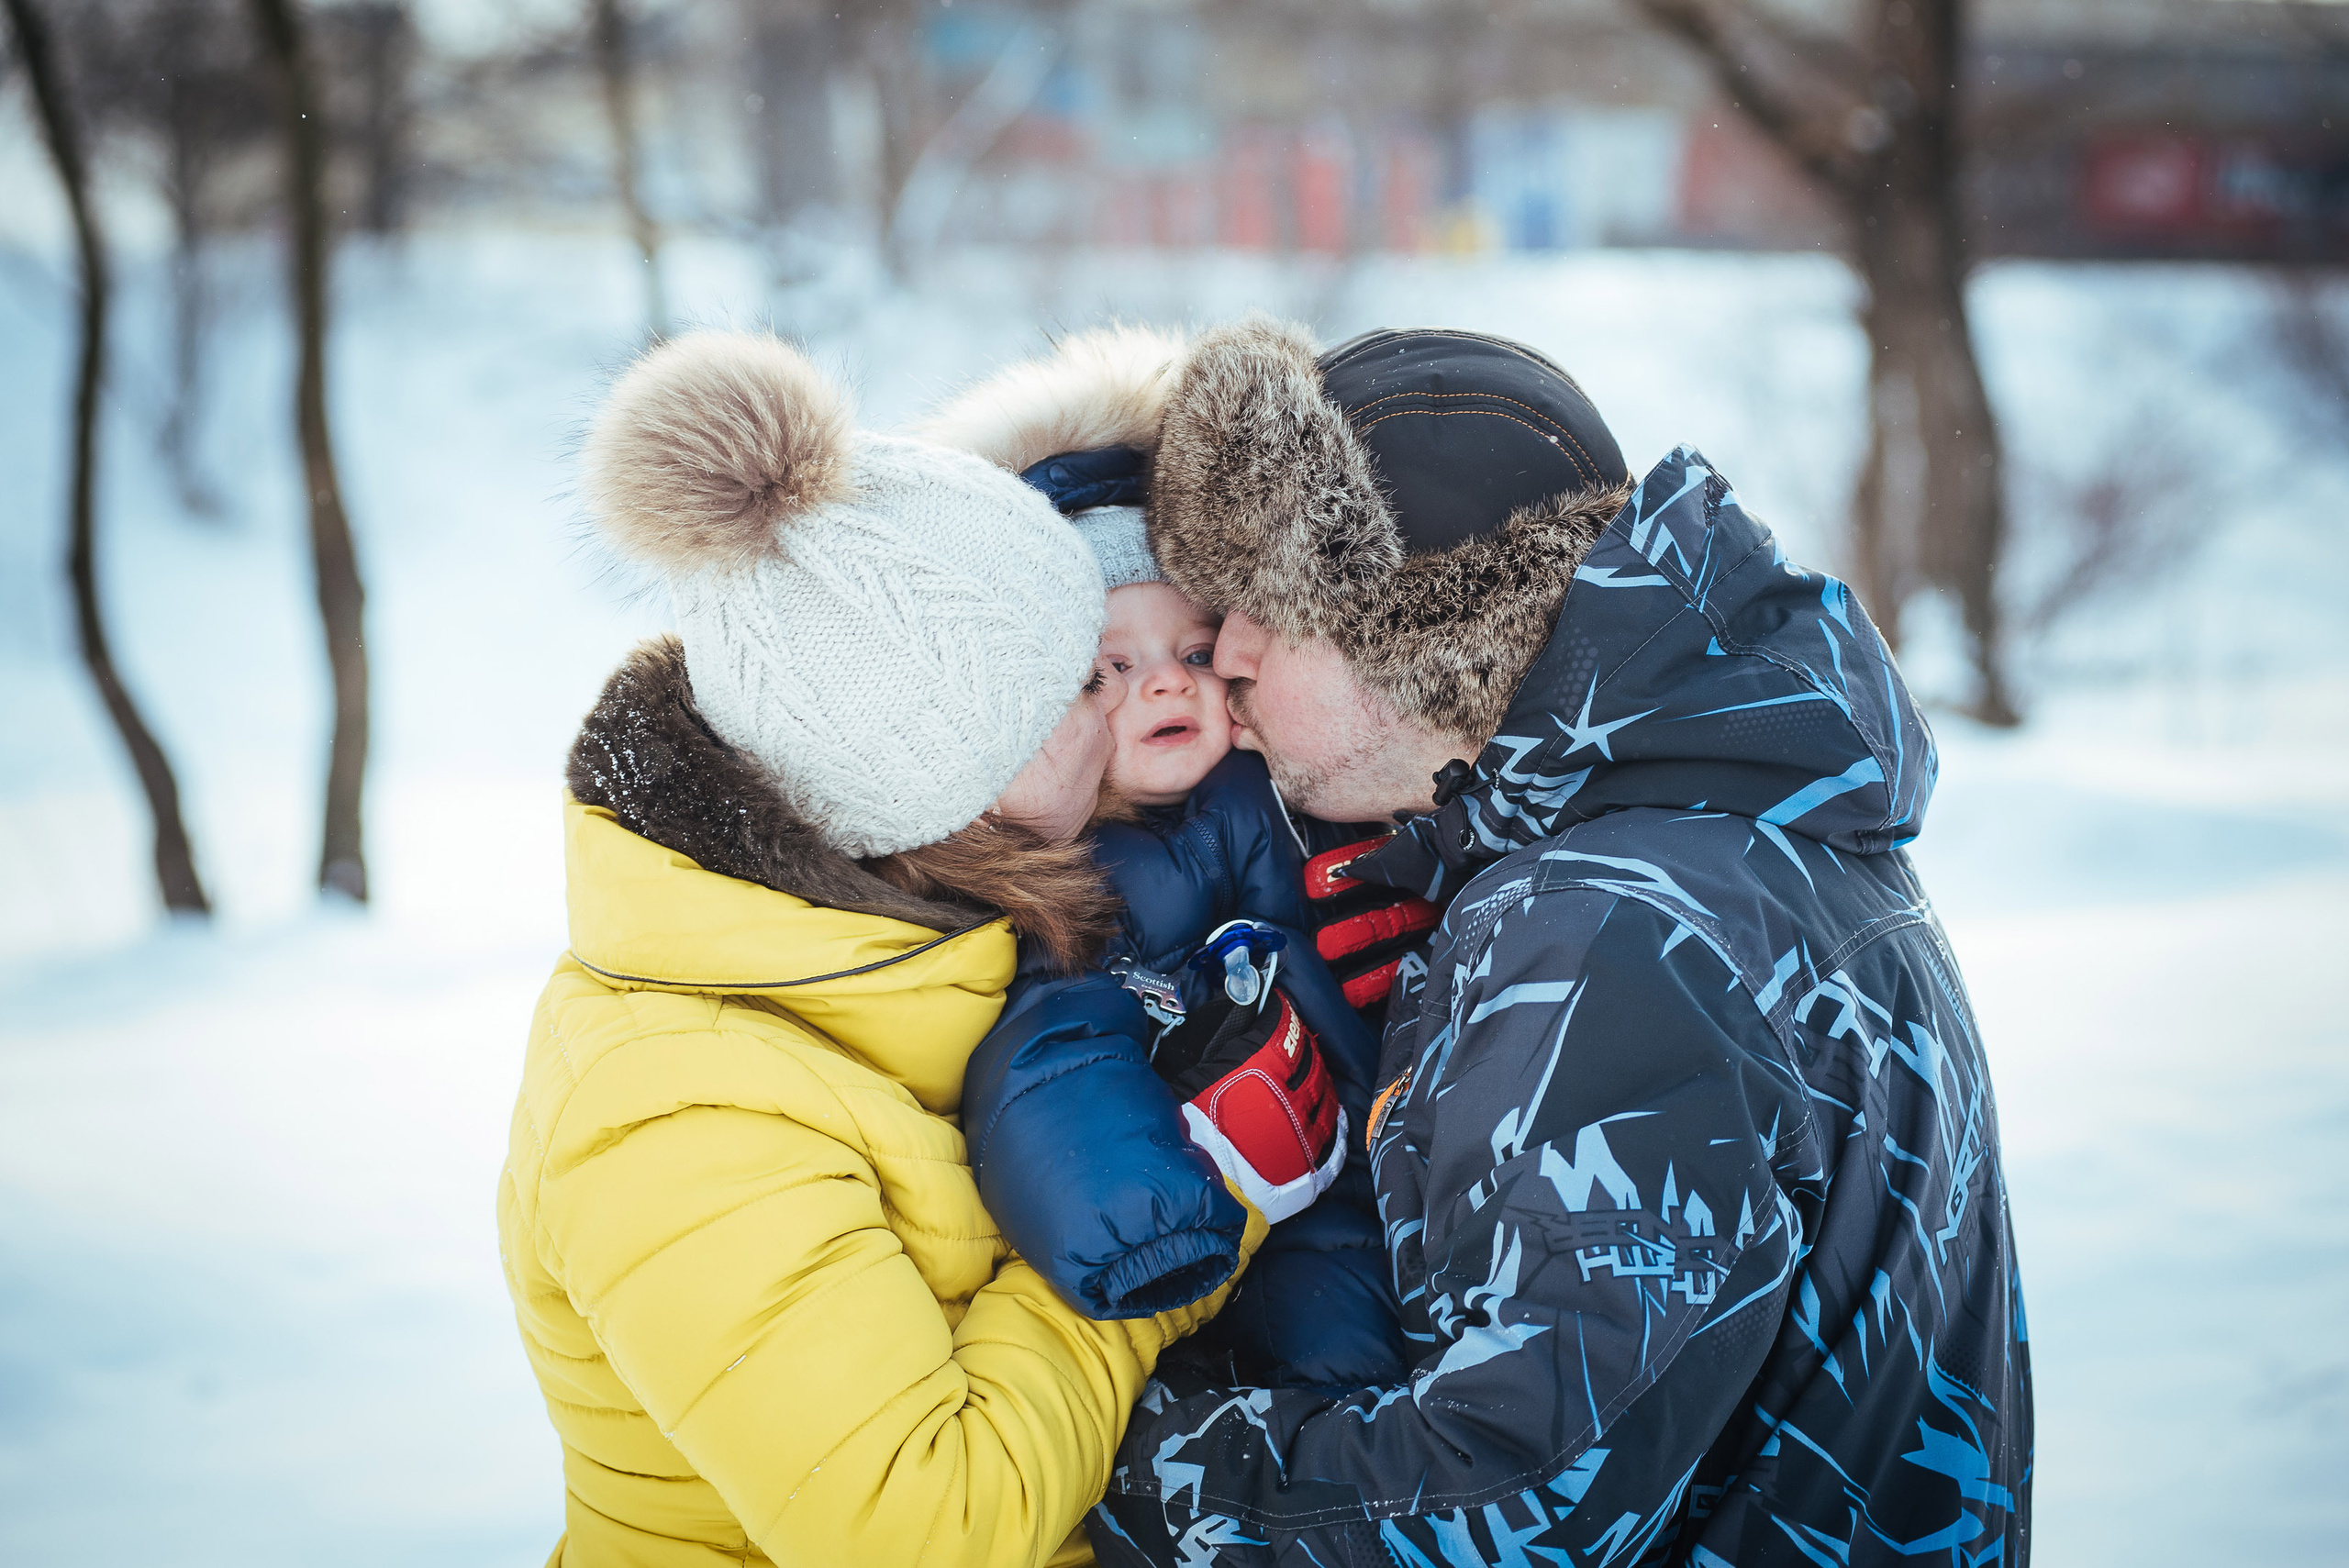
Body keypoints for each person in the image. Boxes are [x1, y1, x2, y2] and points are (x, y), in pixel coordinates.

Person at [1086, 320, 2033, 1566]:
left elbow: (1512, 1500)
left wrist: (1112, 1469)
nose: (1231, 654)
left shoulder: (1609, 935)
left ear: (1423, 631)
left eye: (1270, 605)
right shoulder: (1730, 829)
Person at [496, 328, 1270, 1568]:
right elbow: (927, 1527)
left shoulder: (950, 944)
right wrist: (1202, 1192)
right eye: (1079, 681)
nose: (1127, 705)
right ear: (952, 785)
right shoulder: (674, 1111)